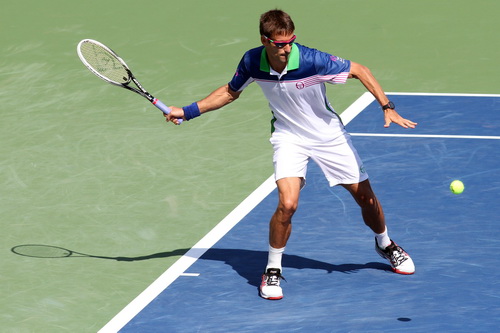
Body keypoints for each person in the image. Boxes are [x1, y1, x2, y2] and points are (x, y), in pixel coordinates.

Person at [165, 9, 416, 300]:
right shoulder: (252, 61)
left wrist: (387, 106)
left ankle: (385, 244)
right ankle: (272, 269)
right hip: (289, 137)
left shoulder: (311, 60)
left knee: (365, 197)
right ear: (265, 40)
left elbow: (360, 70)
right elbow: (230, 92)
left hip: (328, 135)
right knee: (287, 203)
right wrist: (187, 112)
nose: (286, 49)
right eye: (279, 43)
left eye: (290, 42)